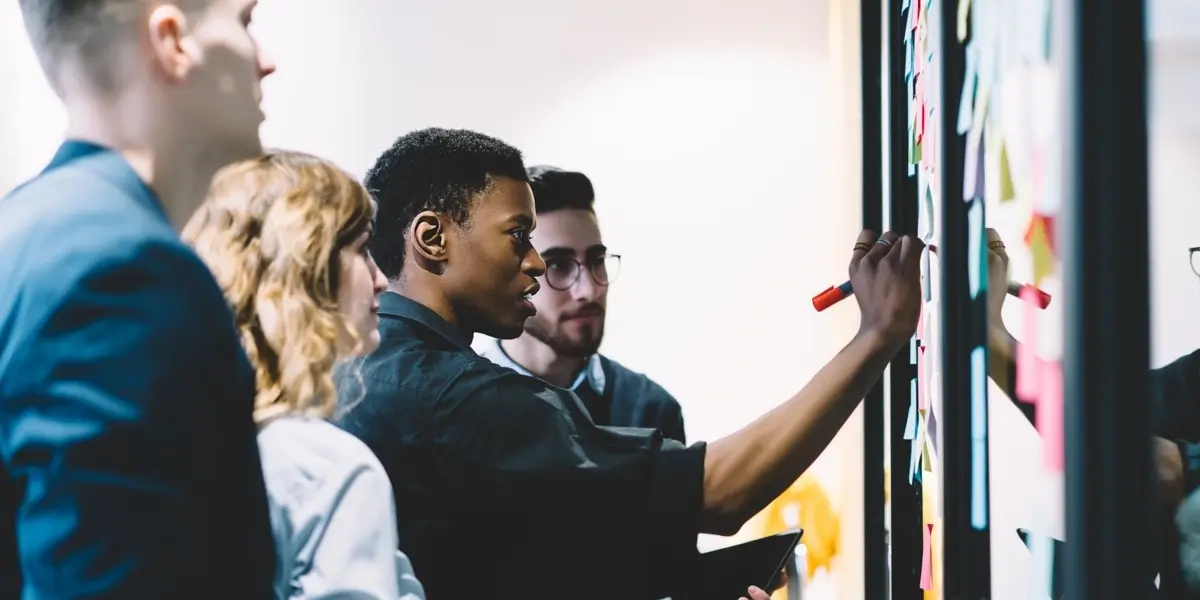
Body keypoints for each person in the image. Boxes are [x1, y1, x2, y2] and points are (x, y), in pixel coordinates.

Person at [336, 127, 924, 599]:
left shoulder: (359, 369)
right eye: (518, 237)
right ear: (432, 238)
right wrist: (877, 335)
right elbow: (722, 493)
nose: (536, 265)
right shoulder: (460, 398)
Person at [0, 0, 277, 597]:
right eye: (246, 21)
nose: (267, 61)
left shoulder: (28, 227)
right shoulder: (120, 267)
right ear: (172, 40)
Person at [185, 151, 426, 599]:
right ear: (306, 269)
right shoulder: (329, 469)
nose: (379, 280)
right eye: (361, 249)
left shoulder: (179, 435)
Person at [476, 165, 686, 442]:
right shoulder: (456, 409)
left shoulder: (648, 411)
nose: (589, 290)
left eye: (597, 261)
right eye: (558, 265)